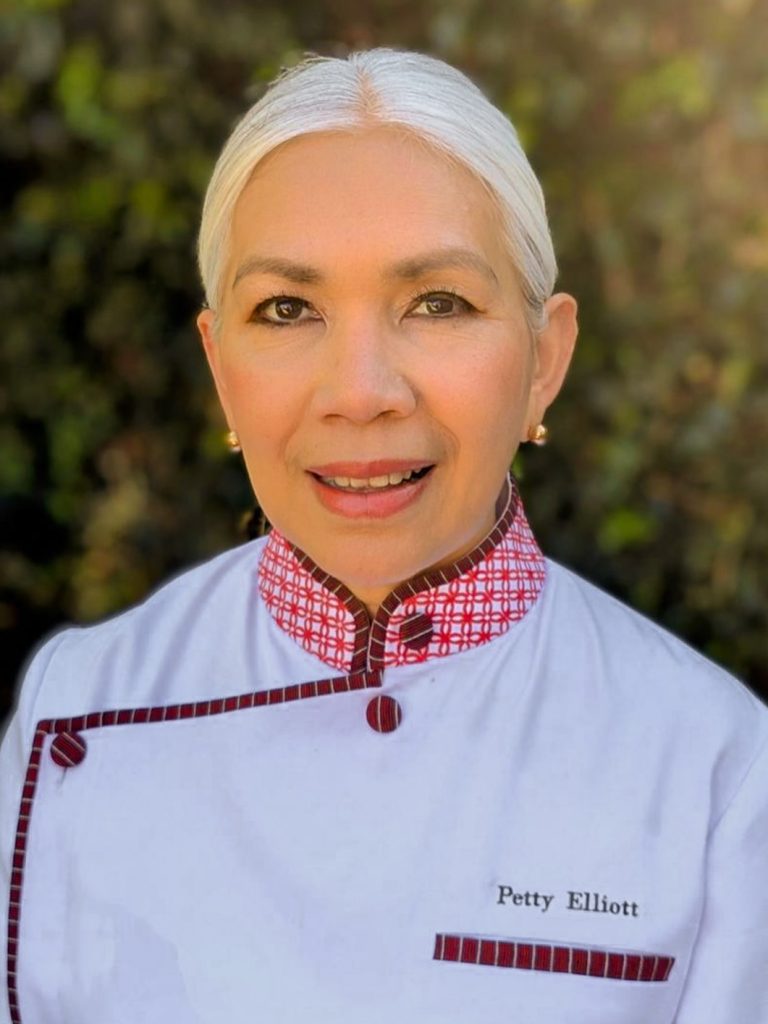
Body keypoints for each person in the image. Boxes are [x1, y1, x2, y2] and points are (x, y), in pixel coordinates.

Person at [1, 48, 766, 1024]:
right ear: (221, 369)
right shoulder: (82, 709)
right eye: (287, 309)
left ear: (545, 359)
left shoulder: (714, 765)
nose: (361, 393)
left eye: (438, 303)